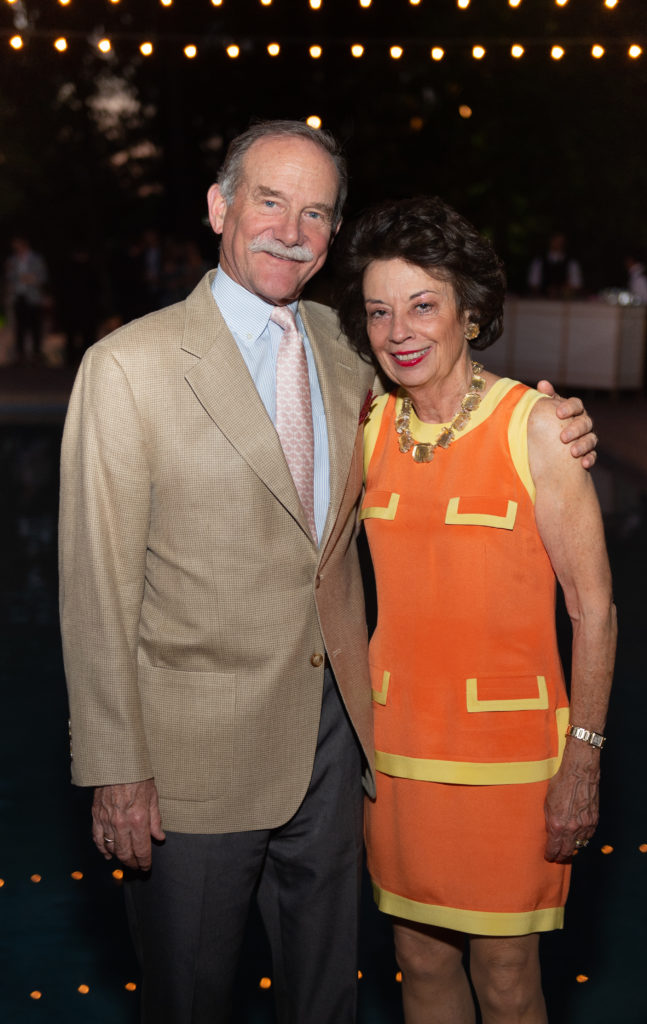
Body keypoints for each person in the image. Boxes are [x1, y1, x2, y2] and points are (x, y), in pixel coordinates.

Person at [59, 121, 597, 1024]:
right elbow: (94, 591)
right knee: (188, 1000)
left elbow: (449, 389)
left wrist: (556, 423)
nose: (291, 229)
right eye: (269, 201)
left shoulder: (350, 348)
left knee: (327, 1002)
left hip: (340, 751)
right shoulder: (128, 367)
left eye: (316, 213)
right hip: (192, 769)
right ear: (219, 207)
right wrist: (117, 767)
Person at [335, 196, 616, 1024]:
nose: (400, 331)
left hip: (509, 765)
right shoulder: (368, 428)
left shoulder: (538, 429)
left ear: (471, 312)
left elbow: (593, 611)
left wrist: (585, 760)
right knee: (417, 963)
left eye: (423, 305)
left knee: (506, 979)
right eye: (380, 311)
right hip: (397, 755)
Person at [5, 235, 49, 363]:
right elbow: (9, 277)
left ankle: (36, 353)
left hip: (33, 297)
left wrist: (32, 279)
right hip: (18, 296)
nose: (15, 248)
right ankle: (20, 354)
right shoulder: (12, 260)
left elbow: (43, 277)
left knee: (36, 325)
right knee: (20, 326)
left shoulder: (36, 259)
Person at [527, 232, 583, 299]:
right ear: (550, 241)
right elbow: (533, 284)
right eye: (556, 241)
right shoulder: (539, 261)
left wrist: (563, 290)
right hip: (542, 300)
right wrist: (546, 290)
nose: (559, 244)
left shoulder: (571, 263)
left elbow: (576, 285)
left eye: (561, 242)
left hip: (564, 301)